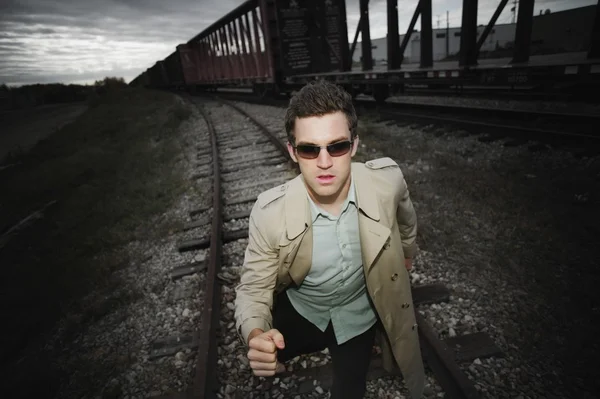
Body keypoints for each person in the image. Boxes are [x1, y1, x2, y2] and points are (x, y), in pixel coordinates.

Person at [234, 80, 425, 399]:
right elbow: (254, 288)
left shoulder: (386, 182)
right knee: (274, 350)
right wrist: (256, 333)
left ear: (354, 145)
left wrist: (406, 252)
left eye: (336, 146)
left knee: (351, 390)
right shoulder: (270, 213)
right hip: (302, 309)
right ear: (292, 152)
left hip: (357, 314)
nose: (324, 162)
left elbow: (406, 217)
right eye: (310, 149)